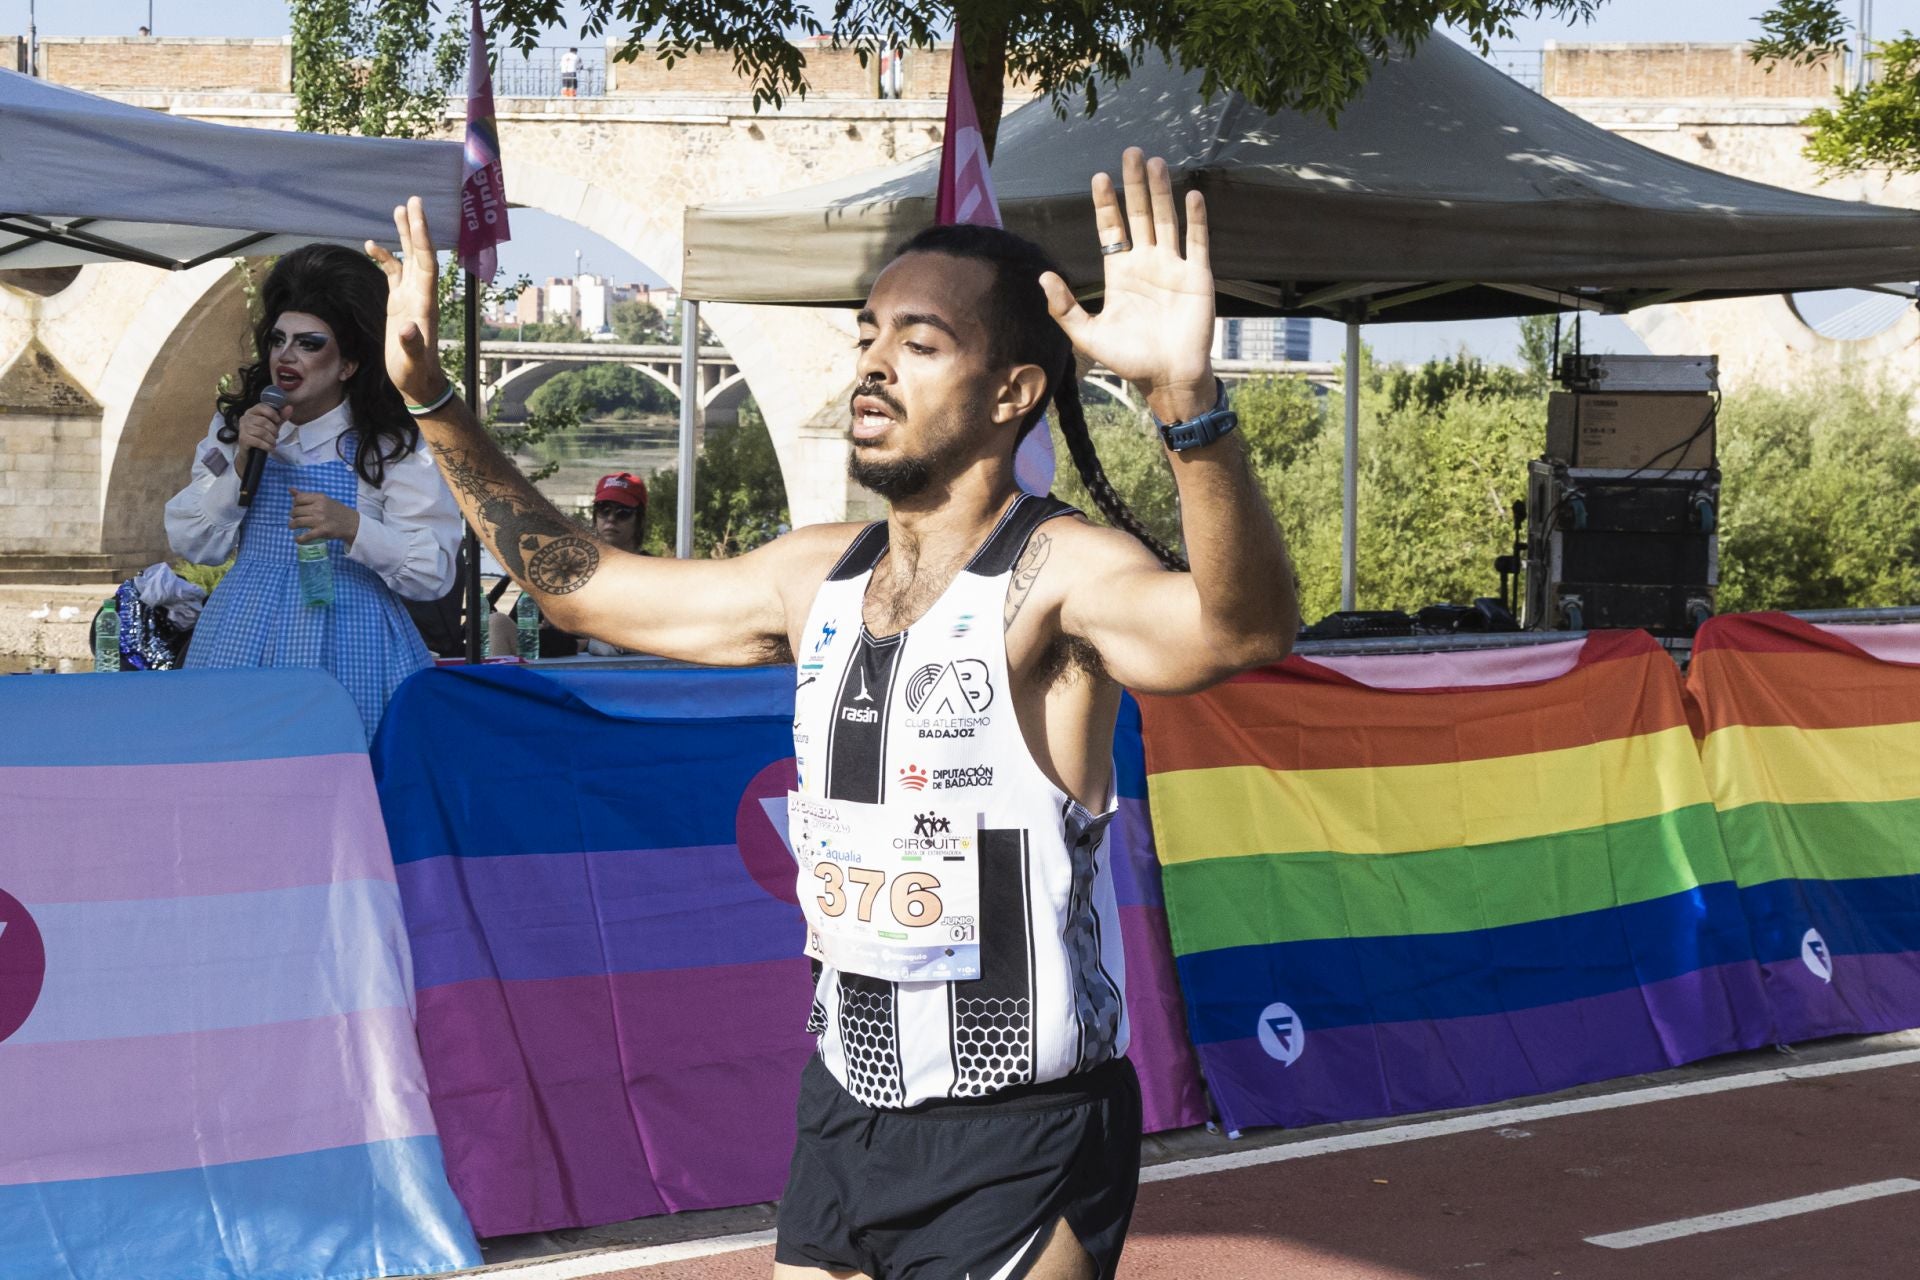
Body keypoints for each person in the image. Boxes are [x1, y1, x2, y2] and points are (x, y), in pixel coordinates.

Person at [369, 146, 1297, 1279]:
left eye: (921, 343)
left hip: (1023, 1134)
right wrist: (429, 396)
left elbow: (1239, 630)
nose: (874, 364)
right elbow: (576, 582)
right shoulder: (815, 579)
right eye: (868, 335)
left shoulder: (1057, 573)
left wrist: (1187, 405)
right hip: (848, 1114)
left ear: (1013, 392)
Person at [166, 244, 462, 736]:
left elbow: (434, 572)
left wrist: (354, 528)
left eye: (309, 343)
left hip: (355, 640)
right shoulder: (237, 426)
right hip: (242, 632)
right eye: (279, 339)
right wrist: (240, 465)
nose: (286, 355)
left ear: (348, 364)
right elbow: (193, 543)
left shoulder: (389, 444)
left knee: (346, 775)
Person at [537, 471, 649, 655]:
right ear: (595, 515)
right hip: (559, 670)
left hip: (624, 669)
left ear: (640, 520)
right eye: (604, 510)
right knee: (498, 623)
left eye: (623, 513)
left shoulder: (655, 572)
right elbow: (526, 628)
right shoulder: (566, 569)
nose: (611, 519)